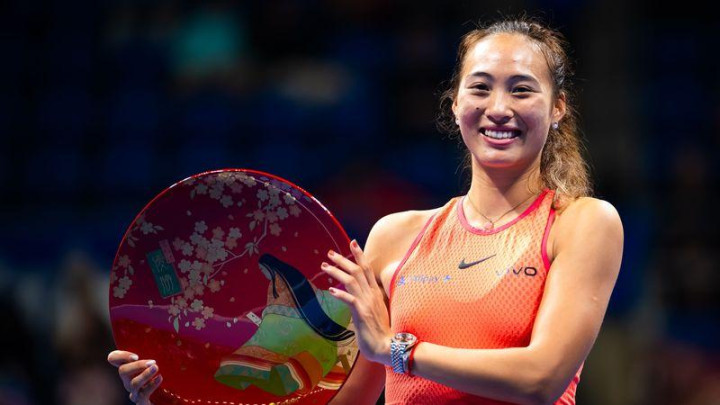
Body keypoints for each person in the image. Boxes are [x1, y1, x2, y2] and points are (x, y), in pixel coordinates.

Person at [108, 16, 623, 405]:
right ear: (455, 104)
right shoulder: (395, 237)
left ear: (558, 108)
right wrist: (178, 393)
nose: (499, 107)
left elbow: (541, 379)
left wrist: (397, 349)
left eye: (522, 89)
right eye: (481, 87)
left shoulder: (582, 223)